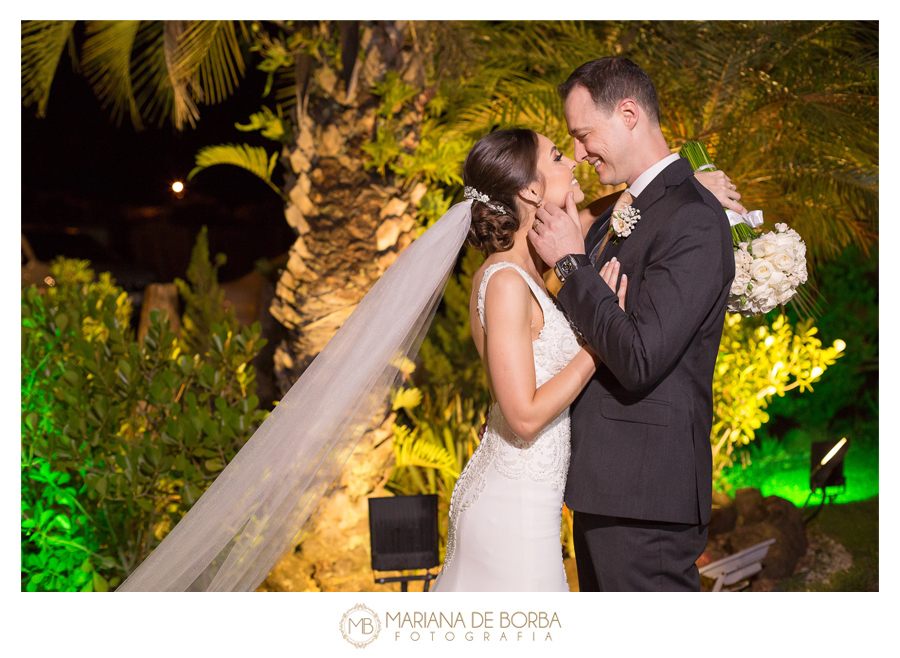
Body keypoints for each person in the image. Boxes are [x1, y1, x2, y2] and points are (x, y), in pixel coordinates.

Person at [117, 126, 739, 593]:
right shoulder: (503, 283)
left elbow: (596, 218)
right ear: (528, 191)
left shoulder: (528, 274)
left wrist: (677, 190)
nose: (573, 159)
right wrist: (593, 354)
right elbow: (522, 415)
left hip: (530, 499)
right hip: (514, 509)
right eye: (557, 156)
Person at [528, 57, 738, 591]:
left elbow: (640, 358)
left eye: (583, 134)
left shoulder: (691, 217)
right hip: (607, 487)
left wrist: (572, 267)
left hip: (647, 499)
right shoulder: (636, 208)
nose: (578, 151)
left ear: (628, 114)